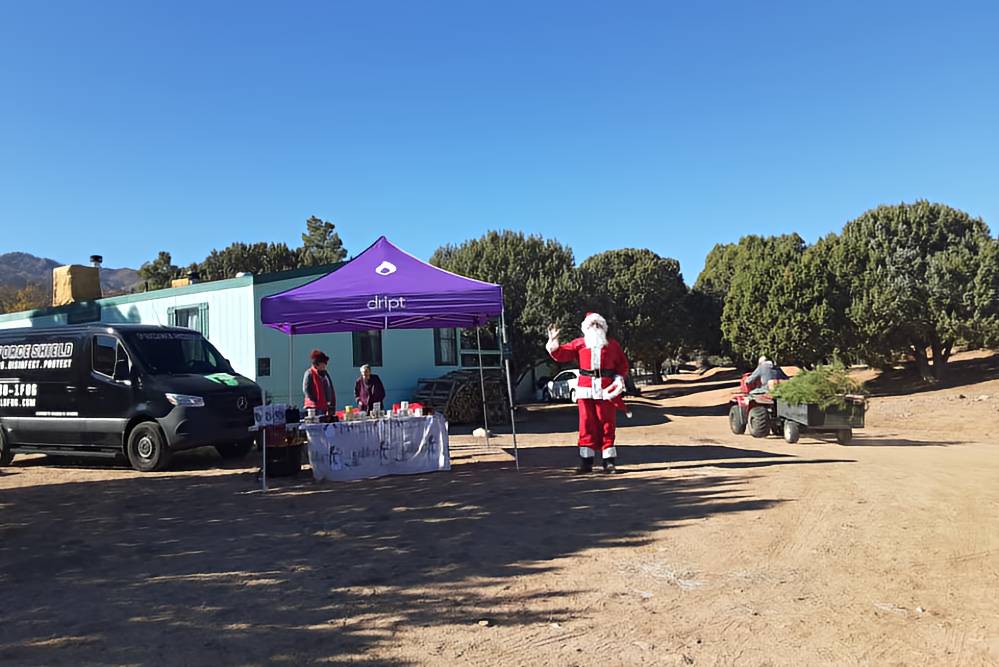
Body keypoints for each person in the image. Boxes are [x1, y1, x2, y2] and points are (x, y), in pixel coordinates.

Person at [546, 312, 630, 474]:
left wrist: (619, 378)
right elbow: (561, 354)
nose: (595, 327)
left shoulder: (613, 345)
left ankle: (609, 461)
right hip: (585, 389)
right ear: (586, 327)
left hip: (606, 389)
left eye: (598, 324)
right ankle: (586, 462)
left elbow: (622, 365)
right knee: (586, 424)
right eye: (592, 324)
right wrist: (554, 341)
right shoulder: (579, 343)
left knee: (607, 423)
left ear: (604, 327)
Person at [303, 349, 335, 417]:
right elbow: (306, 389)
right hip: (313, 408)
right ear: (317, 364)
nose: (325, 365)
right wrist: (314, 400)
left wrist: (330, 402)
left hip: (324, 406)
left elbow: (330, 388)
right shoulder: (309, 373)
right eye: (323, 363)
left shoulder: (325, 374)